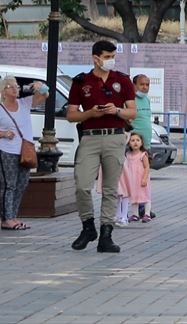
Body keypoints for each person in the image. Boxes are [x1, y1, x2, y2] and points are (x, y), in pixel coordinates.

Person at [67, 40, 136, 253]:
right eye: (107, 57)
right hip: (90, 136)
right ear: (95, 58)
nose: (110, 60)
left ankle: (106, 233)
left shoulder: (122, 81)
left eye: (113, 56)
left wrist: (116, 110)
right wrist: (90, 113)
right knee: (82, 185)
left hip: (115, 137)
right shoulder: (81, 81)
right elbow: (71, 114)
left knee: (110, 189)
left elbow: (132, 112)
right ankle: (88, 226)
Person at [0, 75, 48, 231]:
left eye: (17, 86)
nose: (15, 89)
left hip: (24, 151)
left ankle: (13, 216)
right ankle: (7, 219)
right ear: (3, 92)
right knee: (9, 185)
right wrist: (3, 134)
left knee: (21, 184)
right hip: (7, 151)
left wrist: (41, 86)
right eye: (11, 87)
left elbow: (45, 95)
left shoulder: (24, 103)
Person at [128, 73, 156, 221]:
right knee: (134, 177)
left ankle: (145, 208)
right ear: (134, 85)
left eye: (147, 84)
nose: (145, 87)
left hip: (146, 144)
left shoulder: (146, 100)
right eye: (141, 84)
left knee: (145, 177)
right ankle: (136, 209)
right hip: (134, 145)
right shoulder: (130, 101)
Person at [115, 132, 151, 224]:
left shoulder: (143, 155)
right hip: (131, 180)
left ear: (142, 143)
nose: (135, 142)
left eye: (138, 140)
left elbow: (147, 167)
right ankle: (135, 214)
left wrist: (144, 179)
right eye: (133, 140)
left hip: (141, 179)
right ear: (129, 142)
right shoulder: (128, 155)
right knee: (133, 196)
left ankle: (147, 214)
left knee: (145, 196)